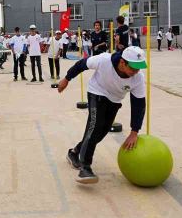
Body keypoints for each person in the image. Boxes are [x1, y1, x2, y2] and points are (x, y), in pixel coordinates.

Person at [58, 46, 146, 184]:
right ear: (122, 63)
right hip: (96, 92)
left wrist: (134, 131)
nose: (136, 72)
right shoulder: (103, 60)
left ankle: (74, 152)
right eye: (133, 68)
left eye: (138, 68)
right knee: (94, 126)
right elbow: (81, 64)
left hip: (114, 100)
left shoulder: (138, 78)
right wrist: (66, 79)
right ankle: (85, 168)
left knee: (102, 132)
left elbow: (139, 105)